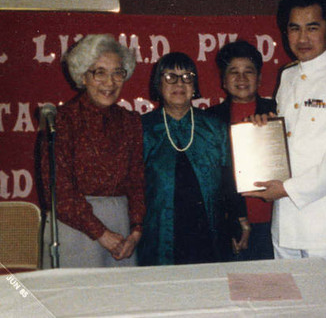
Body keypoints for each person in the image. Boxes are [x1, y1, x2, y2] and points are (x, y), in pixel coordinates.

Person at [243, 0, 326, 278]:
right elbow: (289, 139)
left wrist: (287, 189)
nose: (302, 39)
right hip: (285, 222)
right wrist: (266, 128)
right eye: (294, 28)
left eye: (312, 28)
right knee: (290, 304)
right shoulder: (288, 76)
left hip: (323, 224)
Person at [40, 34, 145, 268]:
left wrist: (136, 230)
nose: (110, 82)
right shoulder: (61, 121)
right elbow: (58, 192)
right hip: (75, 230)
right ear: (83, 76)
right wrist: (101, 234)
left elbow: (138, 181)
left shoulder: (131, 122)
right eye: (99, 72)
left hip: (122, 231)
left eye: (117, 72)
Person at [138, 52, 247, 265]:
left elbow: (229, 179)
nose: (179, 83)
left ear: (195, 85)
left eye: (187, 77)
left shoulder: (214, 127)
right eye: (170, 77)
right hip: (160, 235)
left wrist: (239, 221)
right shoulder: (142, 129)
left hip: (208, 232)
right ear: (158, 84)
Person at [207, 40, 276, 261]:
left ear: (260, 78)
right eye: (233, 72)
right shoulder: (209, 119)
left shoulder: (277, 112)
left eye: (249, 72)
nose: (242, 79)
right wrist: (231, 223)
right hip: (232, 222)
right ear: (223, 80)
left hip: (276, 220)